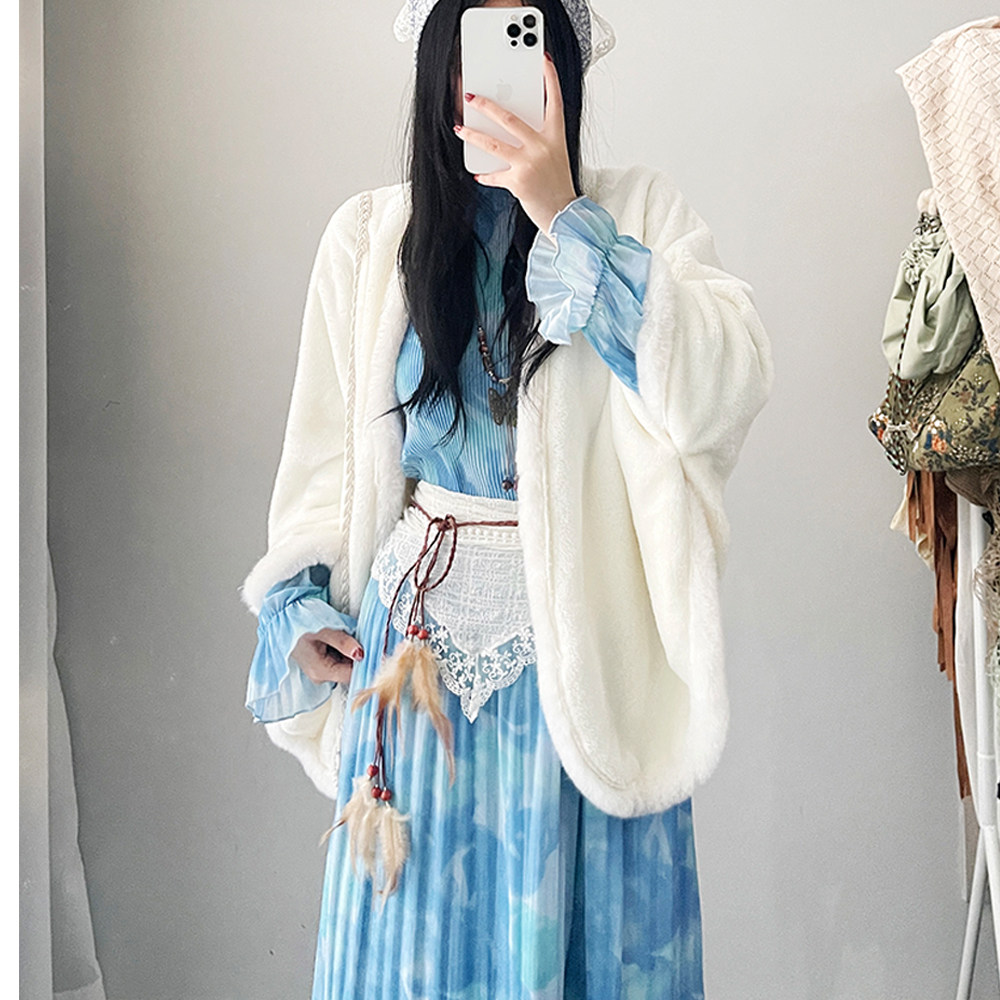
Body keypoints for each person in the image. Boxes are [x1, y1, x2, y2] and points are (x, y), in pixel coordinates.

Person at [240, 1, 772, 996]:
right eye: (473, 52)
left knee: (588, 948)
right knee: (410, 956)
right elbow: (324, 464)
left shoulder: (638, 213)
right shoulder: (370, 237)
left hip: (587, 665)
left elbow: (719, 394)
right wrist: (300, 604)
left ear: (562, 63)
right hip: (412, 666)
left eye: (524, 44)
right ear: (438, 65)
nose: (494, 79)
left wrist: (564, 215)